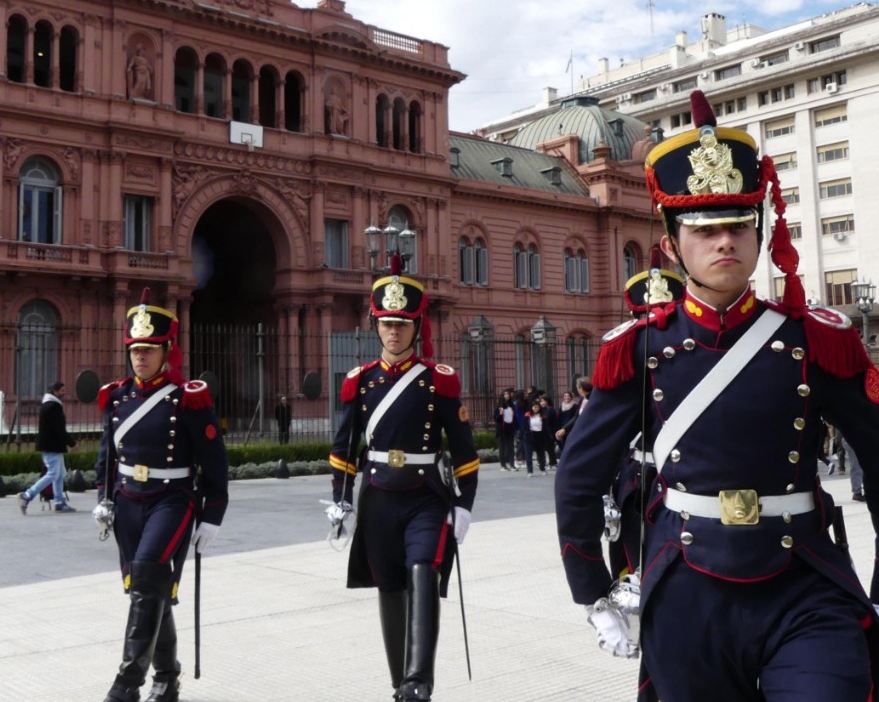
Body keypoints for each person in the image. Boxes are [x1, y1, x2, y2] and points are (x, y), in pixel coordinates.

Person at [555, 90, 879, 701]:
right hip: (687, 586)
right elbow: (579, 474)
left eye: (737, 226)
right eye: (705, 230)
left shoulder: (816, 339)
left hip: (804, 580)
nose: (724, 242)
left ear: (759, 236)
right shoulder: (641, 347)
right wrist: (592, 589)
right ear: (672, 246)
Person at [327, 255, 479, 702]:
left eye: (402, 324)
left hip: (425, 496)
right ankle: (401, 686)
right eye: (387, 324)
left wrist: (464, 506)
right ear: (376, 326)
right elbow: (343, 448)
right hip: (378, 497)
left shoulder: (439, 381)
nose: (394, 332)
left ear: (416, 327)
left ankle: (419, 680)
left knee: (423, 571)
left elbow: (465, 454)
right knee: (389, 585)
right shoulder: (360, 382)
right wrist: (341, 500)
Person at [92, 290, 228, 702]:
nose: (140, 356)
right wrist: (103, 498)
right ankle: (167, 678)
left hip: (172, 499)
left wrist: (213, 514)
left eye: (149, 349)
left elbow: (214, 460)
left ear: (167, 350)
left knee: (149, 574)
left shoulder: (188, 398)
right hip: (127, 499)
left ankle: (127, 684)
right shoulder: (117, 397)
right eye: (135, 349)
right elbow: (107, 456)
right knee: (148, 589)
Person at [18, 381, 77, 513]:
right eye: (62, 390)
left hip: (53, 445)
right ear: (55, 391)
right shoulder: (52, 407)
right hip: (52, 446)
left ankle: (59, 502)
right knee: (53, 474)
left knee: (60, 474)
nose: (64, 393)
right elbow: (59, 429)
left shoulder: (50, 405)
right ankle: (27, 495)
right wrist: (72, 443)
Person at [495, 388, 519, 471]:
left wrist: (517, 427)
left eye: (508, 394)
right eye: (505, 394)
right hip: (502, 429)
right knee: (502, 447)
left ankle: (512, 464)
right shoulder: (499, 406)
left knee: (511, 447)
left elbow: (514, 417)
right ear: (502, 396)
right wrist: (500, 414)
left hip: (510, 428)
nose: (507, 396)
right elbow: (496, 419)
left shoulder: (512, 406)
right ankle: (503, 465)